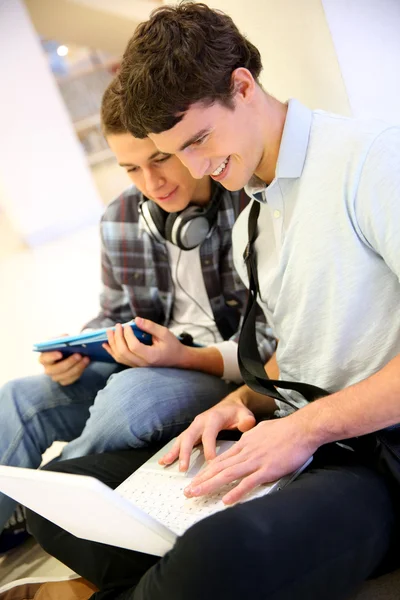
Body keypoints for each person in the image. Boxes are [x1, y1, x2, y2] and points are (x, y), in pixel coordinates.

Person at [11, 2, 400, 599]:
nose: (196, 168)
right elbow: (302, 350)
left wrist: (304, 429)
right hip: (288, 429)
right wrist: (241, 400)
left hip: (369, 458)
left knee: (219, 553)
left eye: (196, 141)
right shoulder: (255, 211)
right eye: (176, 150)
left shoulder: (371, 161)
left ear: (242, 86)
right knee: (65, 496)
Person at [0, 78, 275, 554]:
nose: (152, 184)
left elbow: (275, 344)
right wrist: (78, 348)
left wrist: (185, 357)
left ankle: (52, 502)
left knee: (131, 398)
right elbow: (115, 312)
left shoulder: (248, 203)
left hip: (227, 373)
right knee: (20, 398)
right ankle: (15, 510)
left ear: (183, 144)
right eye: (131, 168)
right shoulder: (123, 215)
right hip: (152, 359)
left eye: (160, 159)